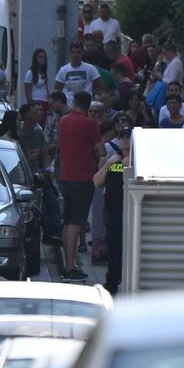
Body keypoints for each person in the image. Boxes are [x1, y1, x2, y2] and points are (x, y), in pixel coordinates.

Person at [57, 91, 102, 281]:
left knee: (68, 222)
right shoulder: (89, 123)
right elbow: (100, 150)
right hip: (83, 178)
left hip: (66, 176)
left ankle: (66, 262)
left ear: (74, 102)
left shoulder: (63, 121)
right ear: (87, 104)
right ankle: (70, 266)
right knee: (77, 223)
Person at [95, 113, 130, 295]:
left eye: (128, 137)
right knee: (113, 247)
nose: (125, 140)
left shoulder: (138, 161)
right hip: (113, 210)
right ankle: (112, 281)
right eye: (122, 136)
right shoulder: (112, 158)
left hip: (131, 211)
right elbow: (96, 181)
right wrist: (109, 164)